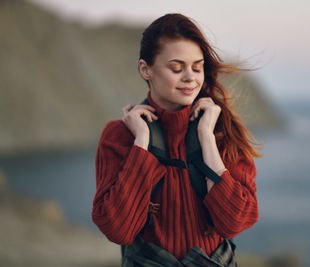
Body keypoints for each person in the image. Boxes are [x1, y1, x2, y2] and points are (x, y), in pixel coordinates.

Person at [92, 13, 261, 266]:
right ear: (145, 69)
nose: (190, 77)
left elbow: (234, 222)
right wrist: (141, 143)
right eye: (176, 68)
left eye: (197, 66)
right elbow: (118, 230)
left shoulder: (221, 131)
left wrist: (206, 138)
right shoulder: (118, 136)